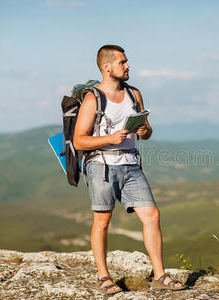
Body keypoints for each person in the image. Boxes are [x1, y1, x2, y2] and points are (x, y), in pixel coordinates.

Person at [74, 45, 185, 295]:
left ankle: (159, 275)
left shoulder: (134, 94)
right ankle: (103, 276)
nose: (128, 66)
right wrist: (109, 139)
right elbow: (79, 140)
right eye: (122, 62)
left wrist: (145, 131)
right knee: (102, 221)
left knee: (152, 215)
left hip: (131, 164)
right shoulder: (93, 99)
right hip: (101, 166)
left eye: (126, 62)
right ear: (107, 67)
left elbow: (147, 131)